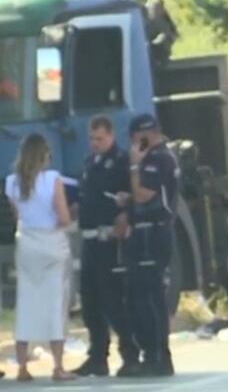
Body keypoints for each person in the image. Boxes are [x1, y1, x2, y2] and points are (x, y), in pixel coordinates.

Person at [3, 134, 76, 382]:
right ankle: (58, 366)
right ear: (43, 155)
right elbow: (64, 218)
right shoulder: (53, 180)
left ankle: (22, 367)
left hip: (27, 244)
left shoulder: (12, 183)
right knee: (55, 302)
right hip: (51, 243)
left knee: (27, 301)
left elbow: (17, 215)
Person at [72, 116, 141, 378]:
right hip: (90, 239)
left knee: (113, 300)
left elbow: (129, 196)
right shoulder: (90, 164)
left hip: (110, 240)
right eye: (91, 139)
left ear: (111, 136)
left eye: (99, 138)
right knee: (90, 302)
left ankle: (130, 354)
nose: (95, 143)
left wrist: (125, 215)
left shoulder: (122, 162)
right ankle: (97, 357)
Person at [116, 113, 178, 378]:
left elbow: (143, 194)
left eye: (137, 137)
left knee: (151, 297)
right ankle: (148, 353)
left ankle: (160, 356)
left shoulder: (159, 159)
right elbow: (136, 197)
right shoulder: (149, 159)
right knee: (136, 296)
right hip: (140, 234)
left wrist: (133, 167)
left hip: (155, 232)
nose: (134, 143)